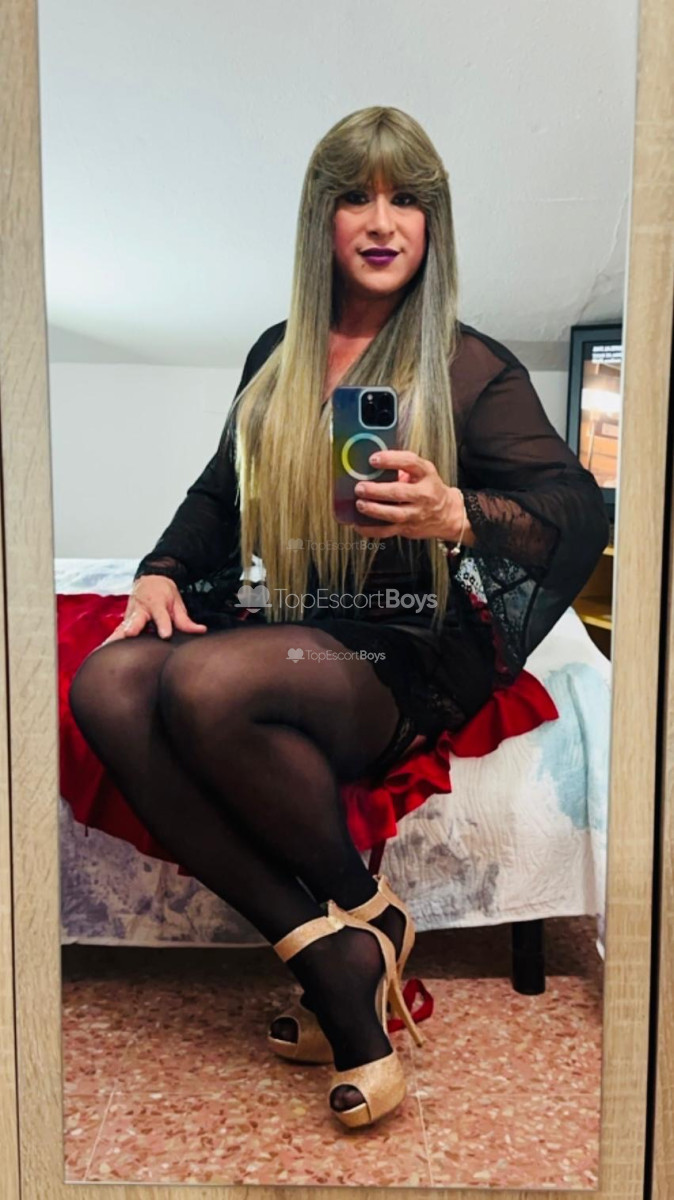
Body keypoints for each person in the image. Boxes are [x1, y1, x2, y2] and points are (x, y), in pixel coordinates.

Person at [68, 105, 610, 1129]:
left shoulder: (466, 365)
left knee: (204, 681)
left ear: (433, 224)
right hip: (294, 620)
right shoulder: (278, 352)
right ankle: (341, 946)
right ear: (321, 219)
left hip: (400, 645)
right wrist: (159, 570)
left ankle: (354, 1011)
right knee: (108, 683)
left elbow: (575, 512)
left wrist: (456, 512)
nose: (382, 221)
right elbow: (218, 494)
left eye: (407, 199)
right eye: (356, 196)